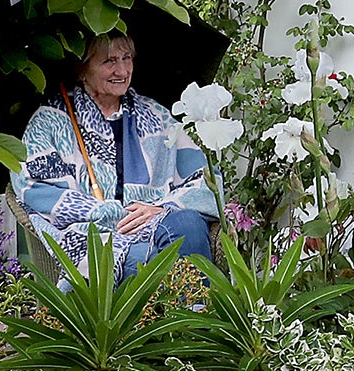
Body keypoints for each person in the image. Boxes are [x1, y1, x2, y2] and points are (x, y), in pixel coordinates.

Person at [15, 32, 219, 281]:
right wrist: (105, 211)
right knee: (159, 259)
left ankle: (190, 315)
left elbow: (206, 179)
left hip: (158, 226)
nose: (122, 70)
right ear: (82, 69)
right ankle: (190, 315)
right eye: (109, 61)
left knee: (187, 223)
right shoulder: (50, 120)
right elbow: (33, 187)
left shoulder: (155, 114)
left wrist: (160, 208)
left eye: (126, 58)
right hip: (93, 237)